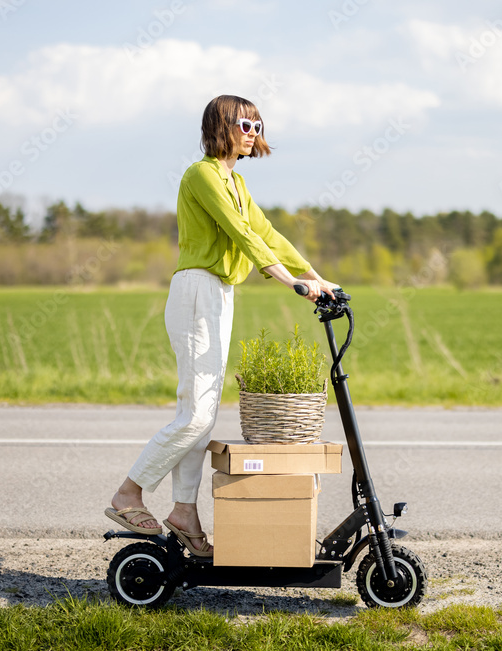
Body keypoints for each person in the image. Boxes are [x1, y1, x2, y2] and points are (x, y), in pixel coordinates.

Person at [106, 94, 339, 557]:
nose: (253, 133)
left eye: (257, 125)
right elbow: (240, 233)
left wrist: (314, 276)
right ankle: (128, 493)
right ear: (221, 127)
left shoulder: (236, 182)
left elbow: (268, 232)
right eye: (245, 125)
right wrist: (290, 281)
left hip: (219, 294)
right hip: (197, 289)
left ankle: (184, 512)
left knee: (203, 414)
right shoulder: (202, 174)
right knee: (194, 413)